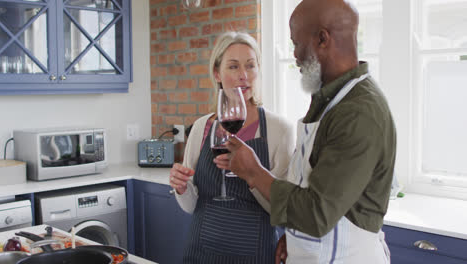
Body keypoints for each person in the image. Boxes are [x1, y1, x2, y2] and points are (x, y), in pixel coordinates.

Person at [219, 0, 397, 263]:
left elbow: (317, 213)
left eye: (296, 44)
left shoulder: (358, 112)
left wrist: (254, 172)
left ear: (323, 39)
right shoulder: (332, 99)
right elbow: (313, 185)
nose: (294, 55)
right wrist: (293, 237)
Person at [169, 31, 295, 263]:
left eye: (250, 65)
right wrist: (181, 187)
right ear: (217, 73)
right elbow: (192, 206)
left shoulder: (280, 131)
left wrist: (250, 174)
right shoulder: (201, 127)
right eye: (234, 67)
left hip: (254, 254)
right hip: (200, 251)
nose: (243, 76)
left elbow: (283, 211)